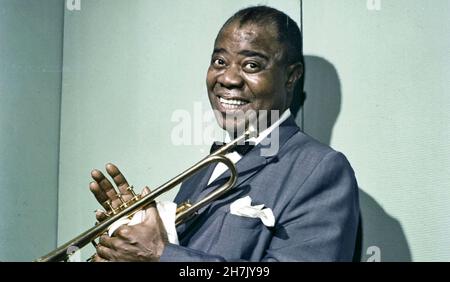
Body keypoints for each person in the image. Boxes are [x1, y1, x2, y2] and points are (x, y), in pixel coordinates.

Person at [89, 5, 359, 262]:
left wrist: (160, 255)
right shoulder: (205, 171)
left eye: (251, 65)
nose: (228, 78)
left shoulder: (322, 169)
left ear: (291, 77)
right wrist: (129, 241)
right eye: (219, 61)